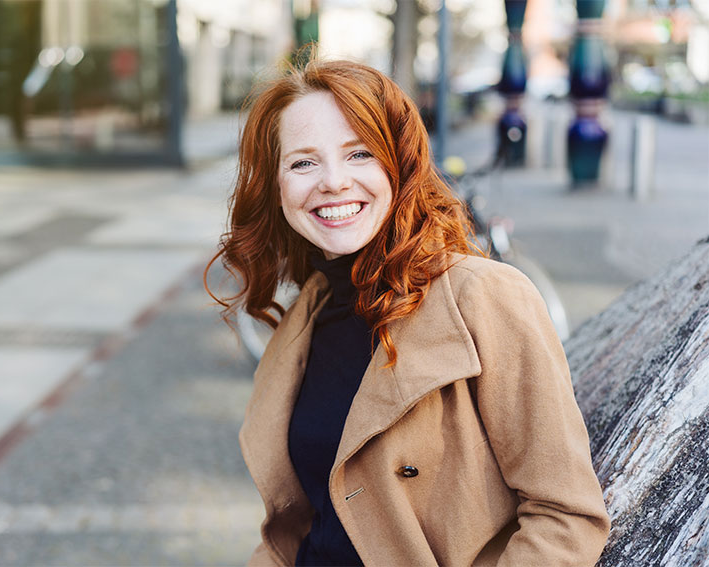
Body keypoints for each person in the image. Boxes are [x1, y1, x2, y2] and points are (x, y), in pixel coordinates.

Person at [205, 57, 610, 566]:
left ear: (400, 163)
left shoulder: (484, 297)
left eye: (359, 154)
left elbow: (566, 516)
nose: (332, 182)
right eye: (303, 162)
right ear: (276, 184)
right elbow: (301, 523)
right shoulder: (306, 311)